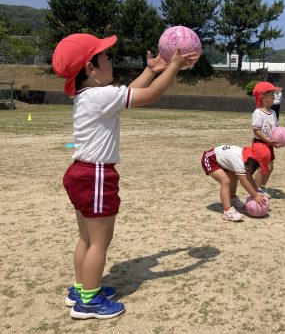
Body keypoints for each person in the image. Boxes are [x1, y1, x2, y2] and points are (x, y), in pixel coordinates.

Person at [53, 33, 197, 319]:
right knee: (99, 242)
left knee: (86, 238)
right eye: (105, 57)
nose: (110, 60)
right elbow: (150, 95)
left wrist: (151, 69)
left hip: (81, 172)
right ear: (90, 69)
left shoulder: (90, 95)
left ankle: (81, 289)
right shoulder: (100, 96)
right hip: (96, 175)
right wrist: (173, 67)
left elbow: (128, 93)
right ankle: (89, 302)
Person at [201, 143, 270, 221]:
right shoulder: (239, 160)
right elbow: (244, 181)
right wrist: (255, 195)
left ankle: (232, 199)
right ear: (253, 160)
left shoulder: (246, 157)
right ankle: (228, 212)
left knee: (234, 177)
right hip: (210, 159)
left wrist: (257, 192)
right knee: (225, 181)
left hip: (223, 161)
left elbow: (249, 178)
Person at [251, 81, 282, 197]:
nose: (274, 97)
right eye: (271, 94)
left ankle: (262, 187)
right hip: (260, 143)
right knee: (261, 168)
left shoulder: (273, 112)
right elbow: (256, 130)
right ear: (263, 97)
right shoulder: (258, 112)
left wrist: (284, 140)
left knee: (270, 168)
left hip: (269, 143)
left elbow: (276, 130)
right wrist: (267, 140)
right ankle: (257, 190)